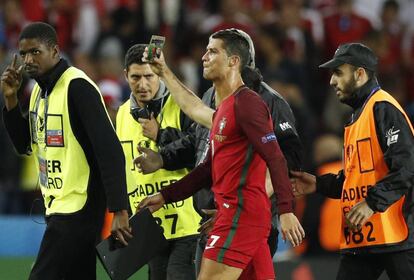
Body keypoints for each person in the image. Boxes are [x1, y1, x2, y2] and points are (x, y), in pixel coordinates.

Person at [133, 28, 304, 276]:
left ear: (234, 61)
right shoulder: (224, 108)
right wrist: (166, 195)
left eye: (212, 51)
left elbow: (277, 157)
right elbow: (207, 168)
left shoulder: (249, 104)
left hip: (239, 218)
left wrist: (287, 211)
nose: (204, 57)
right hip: (239, 217)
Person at [0, 22, 130, 279]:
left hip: (79, 208)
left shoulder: (78, 87)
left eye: (35, 52)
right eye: (24, 53)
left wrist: (120, 210)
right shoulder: (38, 91)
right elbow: (24, 144)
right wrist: (11, 99)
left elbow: (110, 150)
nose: (28, 60)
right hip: (58, 206)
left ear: (55, 51)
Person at [291, 42, 414, 280]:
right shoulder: (358, 115)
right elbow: (355, 179)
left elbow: (407, 166)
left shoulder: (383, 107)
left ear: (360, 74)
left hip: (395, 234)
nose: (332, 81)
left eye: (338, 72)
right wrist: (318, 184)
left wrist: (371, 203)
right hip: (363, 237)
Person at [116, 44, 201, 280]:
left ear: (158, 73)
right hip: (151, 228)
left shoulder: (182, 104)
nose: (142, 85)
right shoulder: (122, 114)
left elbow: (201, 152)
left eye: (148, 77)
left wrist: (161, 134)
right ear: (125, 76)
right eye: (135, 77)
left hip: (188, 224)